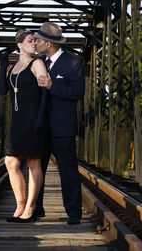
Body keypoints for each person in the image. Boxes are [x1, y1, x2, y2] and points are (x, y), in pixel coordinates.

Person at [34, 22, 85, 225]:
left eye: (38, 39)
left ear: (48, 43)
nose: (35, 42)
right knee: (37, 170)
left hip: (63, 128)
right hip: (41, 127)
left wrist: (53, 86)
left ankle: (74, 213)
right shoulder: (38, 63)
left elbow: (77, 93)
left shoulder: (73, 63)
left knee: (68, 171)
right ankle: (36, 209)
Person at [0, 29, 48, 223]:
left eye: (35, 41)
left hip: (33, 118)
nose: (34, 44)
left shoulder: (37, 63)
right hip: (18, 120)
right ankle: (20, 204)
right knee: (10, 162)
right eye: (30, 41)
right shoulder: (13, 68)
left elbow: (45, 93)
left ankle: (31, 207)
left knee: (34, 162)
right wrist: (3, 66)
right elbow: (2, 91)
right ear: (19, 45)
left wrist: (39, 119)